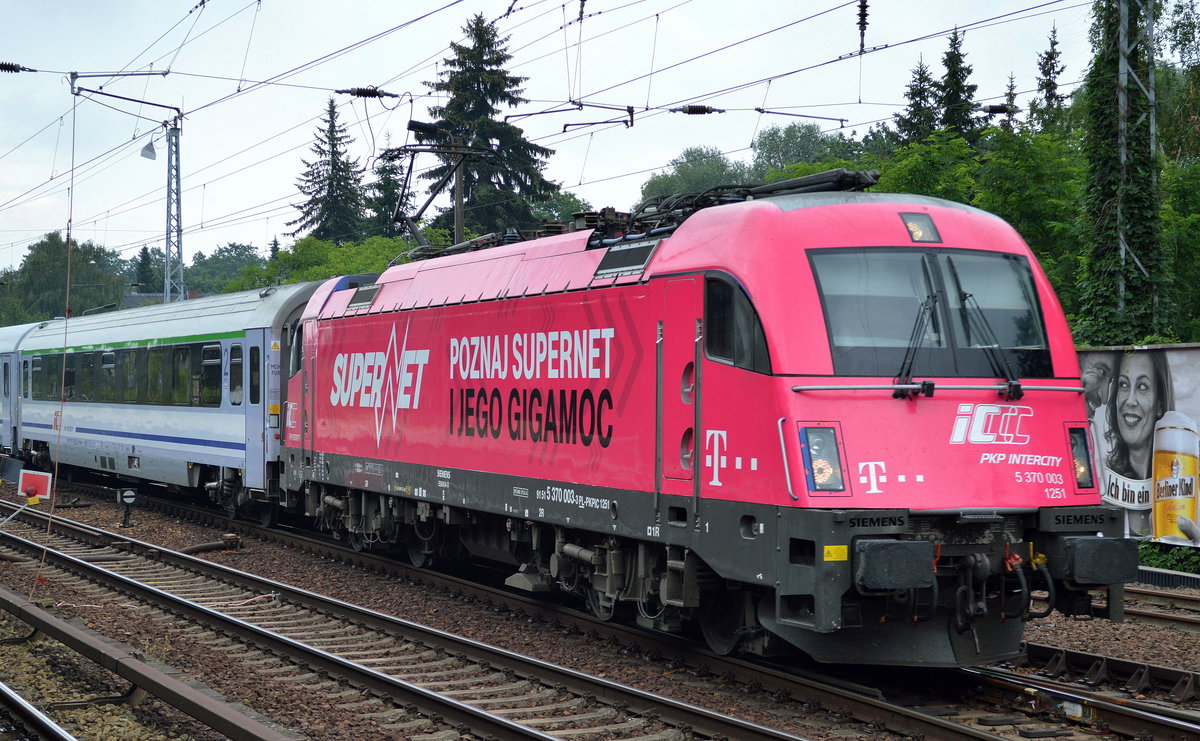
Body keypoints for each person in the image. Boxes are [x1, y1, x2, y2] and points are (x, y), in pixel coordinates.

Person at [1105, 351, 1173, 480]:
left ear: (1159, 404)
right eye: (1124, 384)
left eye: (1142, 387)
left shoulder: (1175, 476)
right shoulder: (1102, 476)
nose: (1130, 401)